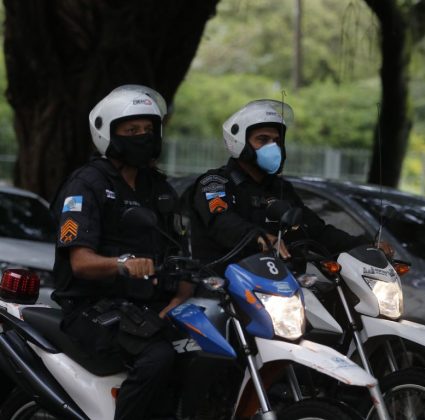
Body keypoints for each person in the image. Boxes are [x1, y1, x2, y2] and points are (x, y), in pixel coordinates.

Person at [51, 85, 192, 420]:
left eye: (148, 130)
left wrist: (183, 293)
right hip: (92, 307)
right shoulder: (87, 185)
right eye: (131, 131)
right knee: (157, 357)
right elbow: (81, 262)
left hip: (147, 306)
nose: (142, 137)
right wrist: (124, 264)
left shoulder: (157, 188)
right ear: (108, 134)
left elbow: (180, 248)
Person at [187, 99, 392, 267]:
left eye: (277, 141)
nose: (272, 147)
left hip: (281, 291)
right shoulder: (215, 183)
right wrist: (259, 237)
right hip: (222, 290)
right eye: (263, 139)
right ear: (239, 142)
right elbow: (221, 220)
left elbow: (315, 231)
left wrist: (363, 247)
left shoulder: (281, 189)